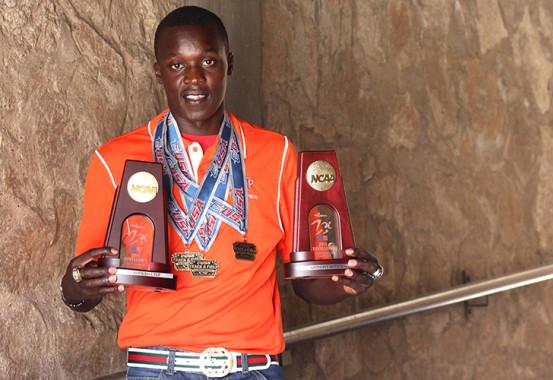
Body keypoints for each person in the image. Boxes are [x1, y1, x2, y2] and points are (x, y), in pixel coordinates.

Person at [60, 6, 383, 380]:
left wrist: (348, 280)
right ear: (158, 71)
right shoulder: (114, 159)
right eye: (177, 65)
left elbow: (309, 284)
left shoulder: (276, 154)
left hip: (252, 369)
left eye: (208, 61)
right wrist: (76, 283)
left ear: (228, 63)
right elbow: (84, 290)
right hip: (157, 368)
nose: (194, 79)